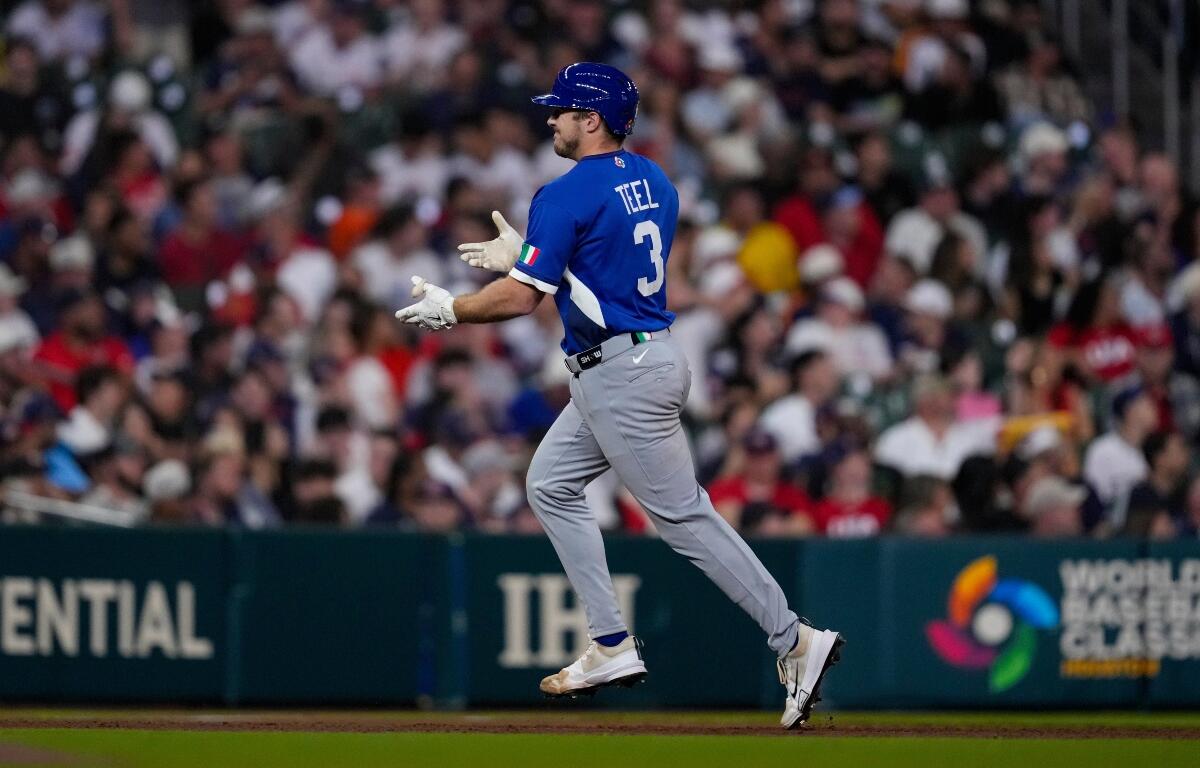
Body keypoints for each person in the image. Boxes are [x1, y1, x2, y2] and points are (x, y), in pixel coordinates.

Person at [394, 62, 843, 729]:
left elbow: (523, 299)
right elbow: (604, 276)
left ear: (592, 119)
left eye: (563, 111)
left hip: (620, 372)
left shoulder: (563, 193)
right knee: (549, 483)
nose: (551, 119)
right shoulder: (655, 179)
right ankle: (609, 643)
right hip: (643, 355)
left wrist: (454, 309)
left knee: (684, 519)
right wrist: (531, 256)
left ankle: (793, 639)